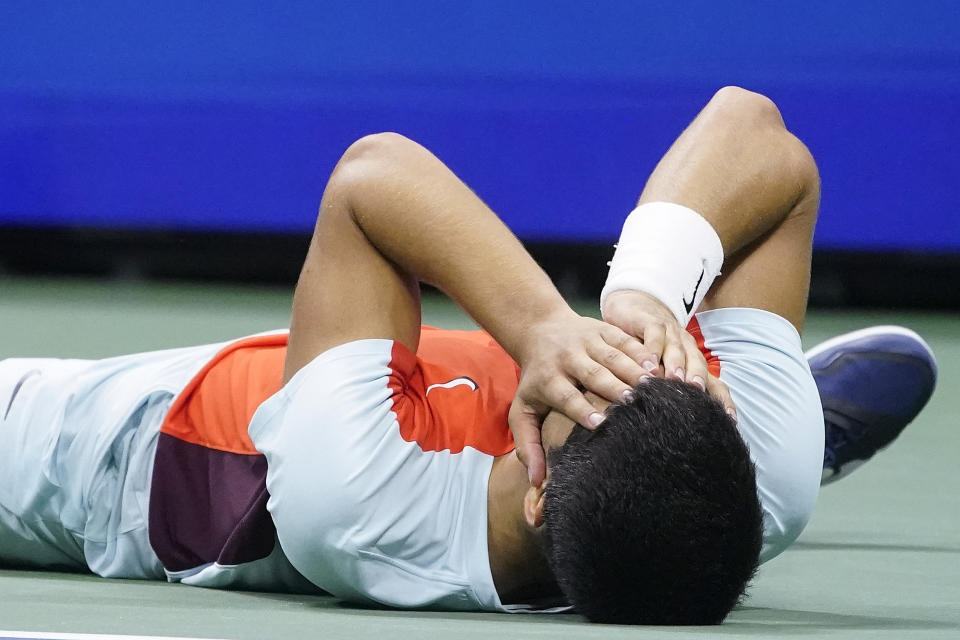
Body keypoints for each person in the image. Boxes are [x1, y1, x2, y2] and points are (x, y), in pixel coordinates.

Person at [0, 87, 936, 624]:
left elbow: (372, 178)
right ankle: (743, 439)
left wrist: (539, 328)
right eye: (676, 367)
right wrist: (648, 294)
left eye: (609, 374)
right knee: (746, 441)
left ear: (536, 485)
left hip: (140, 450)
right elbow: (755, 129)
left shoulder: (361, 505)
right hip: (677, 491)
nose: (620, 354)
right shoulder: (764, 474)